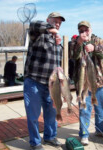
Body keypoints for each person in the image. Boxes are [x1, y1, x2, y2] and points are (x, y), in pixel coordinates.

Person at [24, 12, 65, 150]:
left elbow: (57, 63)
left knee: (51, 113)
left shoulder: (57, 41)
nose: (57, 24)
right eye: (55, 21)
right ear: (48, 20)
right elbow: (33, 25)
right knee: (33, 115)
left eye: (59, 22)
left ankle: (50, 137)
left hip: (51, 85)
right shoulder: (38, 35)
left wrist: (61, 74)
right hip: (34, 81)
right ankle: (35, 142)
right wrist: (50, 28)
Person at [72, 21, 103, 146]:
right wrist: (80, 43)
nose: (84, 33)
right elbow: (73, 56)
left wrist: (94, 48)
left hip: (98, 82)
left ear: (90, 30)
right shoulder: (75, 42)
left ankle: (101, 130)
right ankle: (84, 134)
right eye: (81, 31)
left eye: (86, 30)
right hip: (83, 84)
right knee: (84, 109)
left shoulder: (98, 40)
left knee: (101, 108)